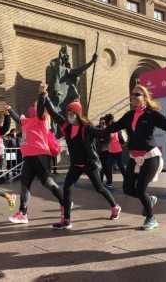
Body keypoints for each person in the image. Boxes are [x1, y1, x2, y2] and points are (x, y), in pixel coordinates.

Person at [105, 84, 166, 230]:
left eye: (137, 94)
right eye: (132, 94)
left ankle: (151, 218)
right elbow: (113, 128)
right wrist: (90, 129)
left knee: (140, 189)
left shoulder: (151, 114)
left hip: (150, 156)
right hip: (134, 157)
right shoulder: (129, 115)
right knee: (127, 189)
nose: (133, 97)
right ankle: (150, 199)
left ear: (144, 98)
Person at [43, 84, 121, 230]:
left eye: (72, 113)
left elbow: (102, 134)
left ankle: (115, 206)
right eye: (68, 113)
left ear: (78, 114)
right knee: (67, 188)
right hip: (75, 164)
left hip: (89, 163)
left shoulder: (88, 129)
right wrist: (44, 95)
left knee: (99, 188)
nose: (69, 116)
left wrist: (112, 127)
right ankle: (66, 220)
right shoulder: (66, 126)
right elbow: (53, 112)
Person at [7, 93, 64, 224]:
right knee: (24, 183)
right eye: (32, 106)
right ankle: (23, 213)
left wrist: (42, 94)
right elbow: (17, 118)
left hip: (41, 156)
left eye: (35, 106)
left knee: (47, 183)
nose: (32, 107)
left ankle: (64, 203)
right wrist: (10, 109)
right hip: (28, 157)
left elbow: (39, 110)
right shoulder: (26, 121)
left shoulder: (41, 119)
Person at [103, 113, 126, 189]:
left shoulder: (114, 127)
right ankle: (109, 183)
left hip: (117, 150)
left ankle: (127, 180)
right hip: (111, 151)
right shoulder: (108, 127)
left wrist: (108, 135)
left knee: (120, 166)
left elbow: (113, 136)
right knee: (109, 167)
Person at [95, 117, 110, 183]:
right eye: (101, 123)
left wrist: (102, 139)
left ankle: (109, 181)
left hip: (108, 151)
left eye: (103, 122)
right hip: (100, 151)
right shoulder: (98, 129)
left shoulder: (108, 129)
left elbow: (108, 140)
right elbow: (97, 139)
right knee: (101, 166)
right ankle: (101, 181)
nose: (102, 124)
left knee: (106, 167)